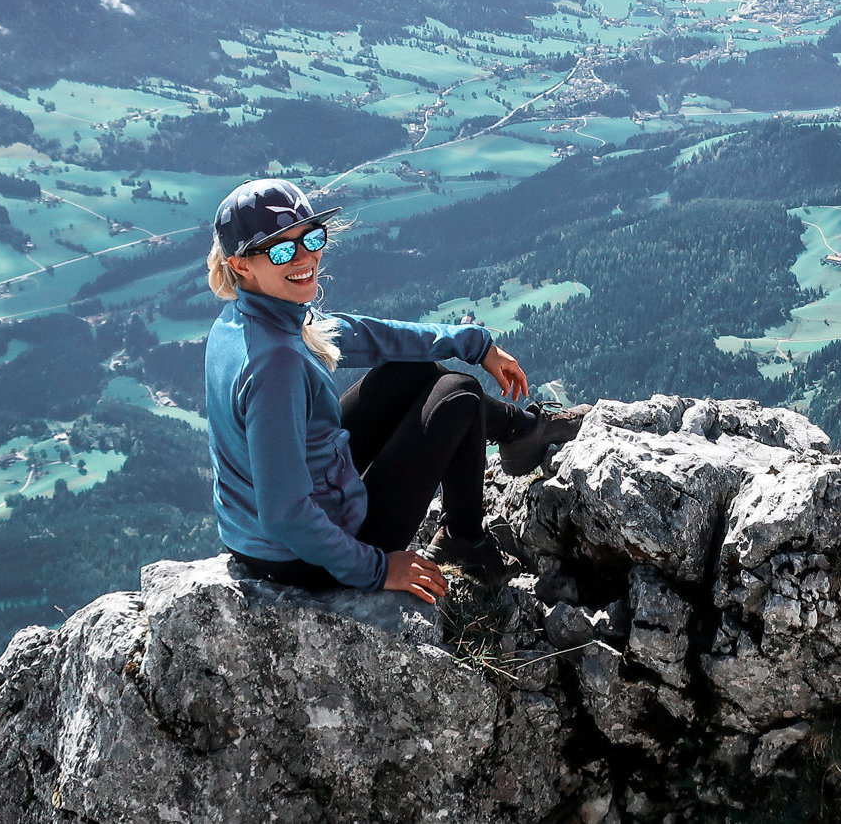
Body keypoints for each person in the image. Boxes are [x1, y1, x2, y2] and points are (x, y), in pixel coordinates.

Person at [204, 177, 590, 600]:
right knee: (458, 395)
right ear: (241, 264)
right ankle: (465, 539)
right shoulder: (275, 363)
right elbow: (284, 514)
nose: (305, 257)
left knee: (412, 371)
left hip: (260, 534)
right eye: (281, 250)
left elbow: (369, 337)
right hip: (304, 556)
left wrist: (474, 344)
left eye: (312, 238)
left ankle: (519, 430)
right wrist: (377, 568)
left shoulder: (244, 319)